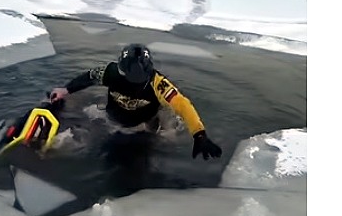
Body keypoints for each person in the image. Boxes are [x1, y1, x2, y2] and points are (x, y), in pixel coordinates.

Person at [49, 43, 222, 160]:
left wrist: (199, 134)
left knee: (169, 141)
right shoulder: (110, 72)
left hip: (146, 121)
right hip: (114, 119)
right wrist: (65, 90)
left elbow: (182, 105)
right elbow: (89, 77)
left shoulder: (158, 83)